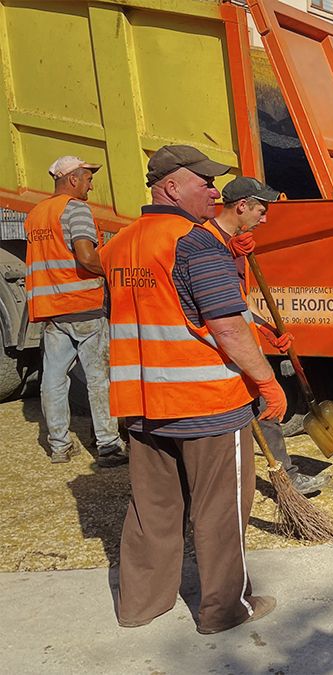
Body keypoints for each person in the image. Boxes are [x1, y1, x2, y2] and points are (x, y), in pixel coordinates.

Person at [102, 145, 287, 634]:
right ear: (169, 187)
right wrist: (267, 383)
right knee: (220, 510)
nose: (213, 190)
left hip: (142, 403)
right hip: (205, 403)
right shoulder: (196, 242)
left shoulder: (120, 244)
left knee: (151, 511)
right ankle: (224, 610)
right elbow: (225, 327)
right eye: (203, 181)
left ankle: (140, 605)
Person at [209, 176, 330, 495]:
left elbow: (238, 301)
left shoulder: (233, 243)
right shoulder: (208, 242)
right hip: (219, 349)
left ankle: (286, 477)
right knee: (251, 408)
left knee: (264, 407)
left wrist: (267, 329)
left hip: (239, 342)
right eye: (260, 211)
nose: (265, 218)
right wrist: (225, 251)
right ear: (242, 206)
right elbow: (216, 310)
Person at [23, 156, 125, 466]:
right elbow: (85, 255)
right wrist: (111, 270)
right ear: (72, 180)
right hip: (84, 308)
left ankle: (59, 446)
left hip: (53, 310)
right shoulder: (75, 209)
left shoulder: (36, 214)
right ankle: (108, 447)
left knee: (53, 380)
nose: (91, 186)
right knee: (98, 379)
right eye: (88, 179)